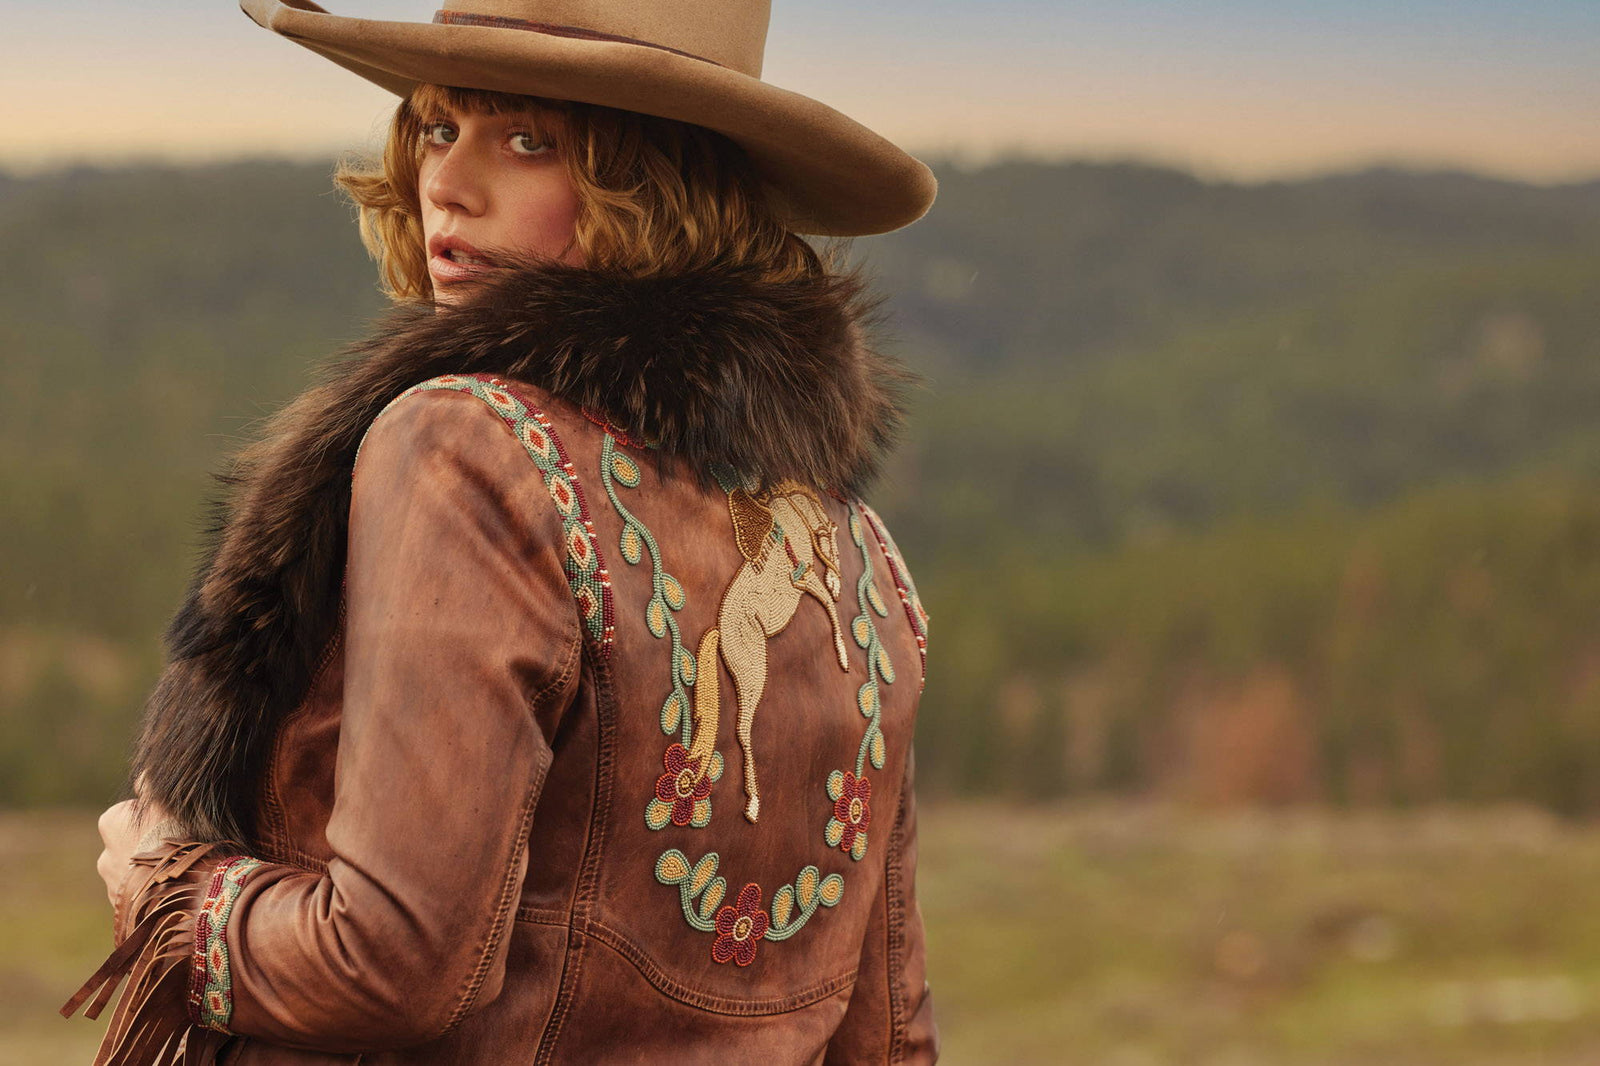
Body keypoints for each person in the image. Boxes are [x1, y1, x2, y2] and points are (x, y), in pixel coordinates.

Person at [64, 1, 938, 1062]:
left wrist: (169, 891)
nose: (448, 181)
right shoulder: (856, 552)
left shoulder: (467, 446)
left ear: (657, 183)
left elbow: (386, 964)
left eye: (530, 140)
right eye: (439, 127)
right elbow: (888, 1038)